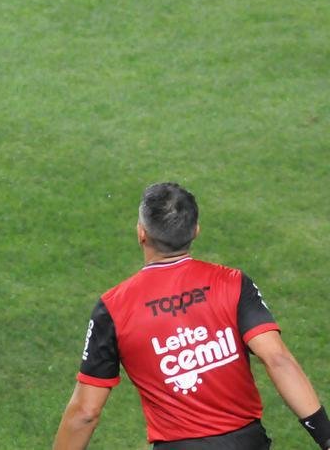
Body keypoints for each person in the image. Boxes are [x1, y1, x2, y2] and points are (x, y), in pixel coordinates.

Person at [53, 182, 330, 450]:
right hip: (248, 443)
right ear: (196, 230)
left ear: (141, 233)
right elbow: (277, 358)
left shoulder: (113, 309)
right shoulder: (232, 283)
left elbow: (86, 412)